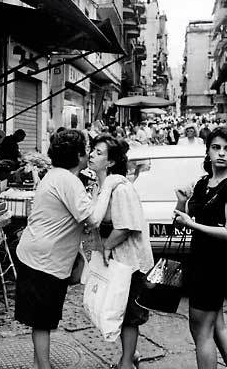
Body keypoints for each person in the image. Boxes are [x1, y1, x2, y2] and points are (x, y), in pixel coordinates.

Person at [14, 129, 125, 369]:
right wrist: (108, 186)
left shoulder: (58, 176)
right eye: (86, 151)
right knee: (43, 320)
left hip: (39, 255)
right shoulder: (67, 180)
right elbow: (93, 219)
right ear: (77, 156)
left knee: (41, 319)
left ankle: (39, 364)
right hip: (43, 260)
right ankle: (43, 367)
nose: (89, 155)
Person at [173, 126, 227, 369]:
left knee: (201, 331)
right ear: (207, 150)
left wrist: (193, 225)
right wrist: (183, 202)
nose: (221, 153)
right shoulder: (205, 182)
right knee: (216, 326)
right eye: (216, 147)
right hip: (200, 260)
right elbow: (181, 220)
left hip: (214, 264)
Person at [88, 135, 154, 369]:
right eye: (92, 150)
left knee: (129, 315)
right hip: (115, 261)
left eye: (98, 152)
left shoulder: (121, 188)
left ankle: (127, 362)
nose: (92, 155)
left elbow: (125, 226)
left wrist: (106, 246)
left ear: (111, 162)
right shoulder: (101, 185)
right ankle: (131, 354)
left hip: (131, 262)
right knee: (115, 308)